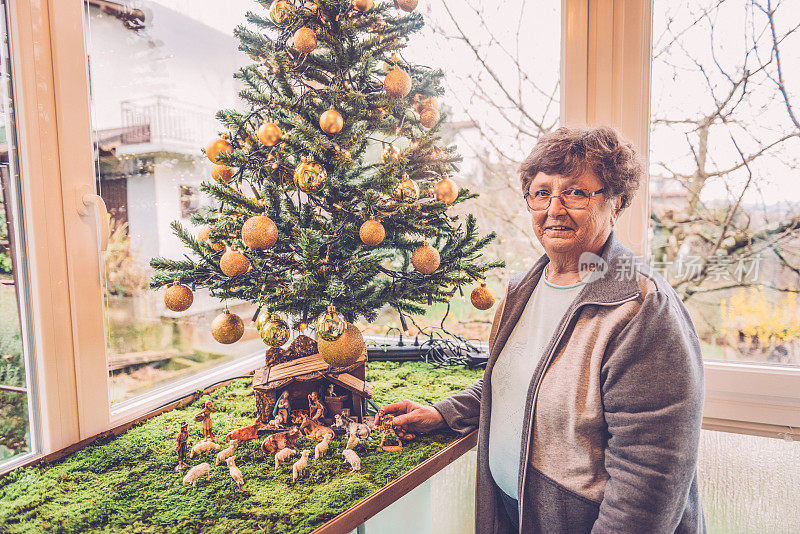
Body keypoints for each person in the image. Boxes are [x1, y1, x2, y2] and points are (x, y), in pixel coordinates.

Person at [383, 126, 705, 533]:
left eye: (575, 192)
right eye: (541, 192)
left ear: (615, 204)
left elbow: (651, 477)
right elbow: (522, 383)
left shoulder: (641, 307)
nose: (554, 208)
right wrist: (444, 414)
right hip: (515, 511)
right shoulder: (524, 288)